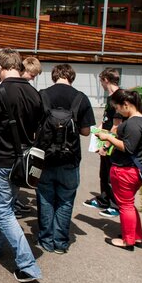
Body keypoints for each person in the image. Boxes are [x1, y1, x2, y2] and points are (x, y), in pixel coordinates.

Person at [0, 48, 43, 283]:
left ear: (1, 67)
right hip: (22, 162)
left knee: (4, 211)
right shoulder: (35, 93)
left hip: (0, 159)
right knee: (3, 206)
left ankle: (27, 265)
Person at [35, 64, 94, 254]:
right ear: (72, 77)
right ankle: (60, 242)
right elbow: (85, 132)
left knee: (45, 198)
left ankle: (45, 240)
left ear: (54, 76)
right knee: (66, 199)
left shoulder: (42, 95)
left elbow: (33, 127)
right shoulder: (81, 98)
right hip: (70, 158)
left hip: (44, 157)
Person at [95, 89, 142, 251]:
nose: (117, 111)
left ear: (126, 104)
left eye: (118, 107)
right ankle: (137, 236)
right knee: (128, 204)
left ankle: (128, 241)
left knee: (125, 206)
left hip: (126, 171)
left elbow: (128, 148)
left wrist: (108, 137)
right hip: (135, 170)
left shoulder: (134, 123)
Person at [83, 68, 122, 217]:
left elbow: (117, 125)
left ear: (106, 79)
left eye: (101, 81)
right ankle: (104, 199)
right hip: (105, 138)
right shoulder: (110, 97)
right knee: (103, 173)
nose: (101, 84)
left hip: (111, 143)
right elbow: (108, 119)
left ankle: (115, 205)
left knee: (111, 174)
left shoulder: (118, 97)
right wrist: (98, 130)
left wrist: (106, 146)